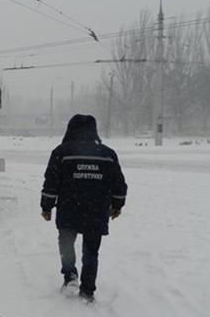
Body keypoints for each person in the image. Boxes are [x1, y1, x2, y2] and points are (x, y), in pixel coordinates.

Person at [40, 114, 127, 302]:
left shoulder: (61, 153)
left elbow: (51, 183)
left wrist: (46, 207)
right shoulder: (107, 155)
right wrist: (117, 205)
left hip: (69, 208)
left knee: (66, 243)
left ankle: (70, 275)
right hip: (97, 211)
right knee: (91, 251)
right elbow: (119, 184)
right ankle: (87, 290)